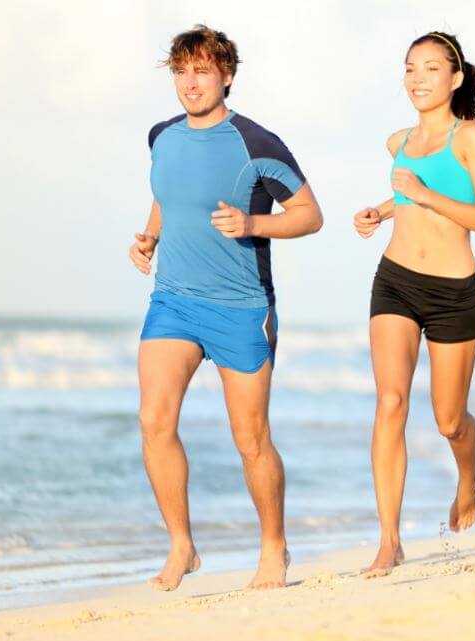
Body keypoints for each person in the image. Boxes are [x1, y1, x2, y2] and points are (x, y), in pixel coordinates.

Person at [127, 25, 323, 591]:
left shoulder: (257, 143)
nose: (191, 83)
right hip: (173, 301)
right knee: (154, 421)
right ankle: (182, 546)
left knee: (250, 438)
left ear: (227, 76)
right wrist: (149, 237)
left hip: (241, 307)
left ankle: (273, 548)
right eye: (182, 71)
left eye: (202, 71)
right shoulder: (161, 136)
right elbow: (168, 194)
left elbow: (310, 214)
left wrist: (254, 223)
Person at [352, 31, 475, 578]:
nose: (417, 78)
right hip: (395, 281)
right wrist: (380, 211)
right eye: (410, 68)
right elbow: (410, 196)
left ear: (455, 78)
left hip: (452, 293)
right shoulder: (398, 141)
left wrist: (419, 194)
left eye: (431, 69)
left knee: (447, 421)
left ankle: (468, 476)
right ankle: (389, 540)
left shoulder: (471, 138)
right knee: (390, 403)